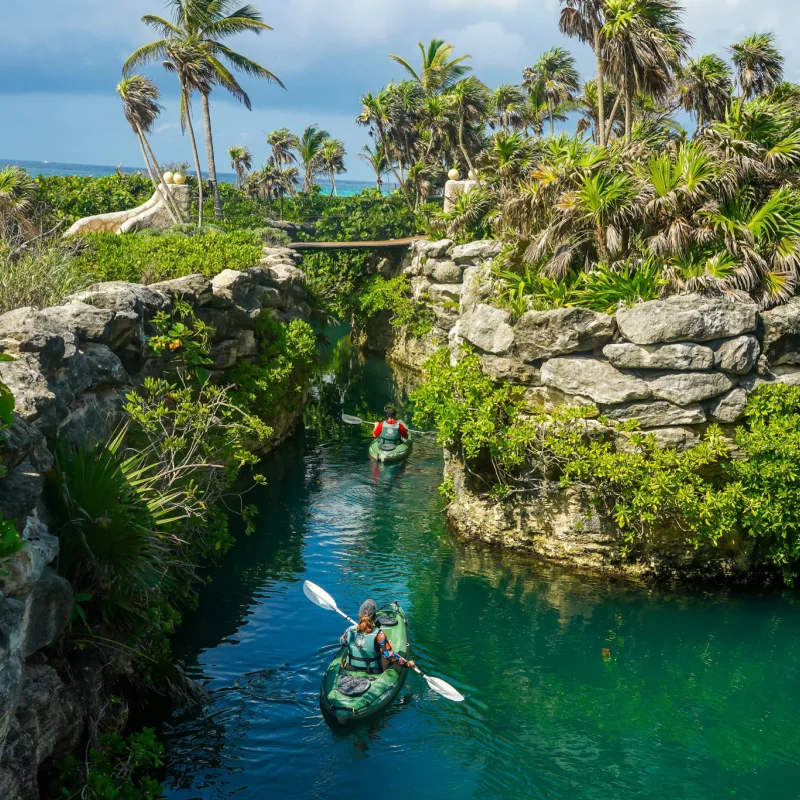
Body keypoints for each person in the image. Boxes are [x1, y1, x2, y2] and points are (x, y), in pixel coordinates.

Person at [340, 599, 415, 673]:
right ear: (374, 617)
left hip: (350, 668)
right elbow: (389, 655)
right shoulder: (379, 634)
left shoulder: (349, 630)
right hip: (372, 670)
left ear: (359, 616)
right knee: (385, 652)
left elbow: (342, 642)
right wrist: (407, 663)